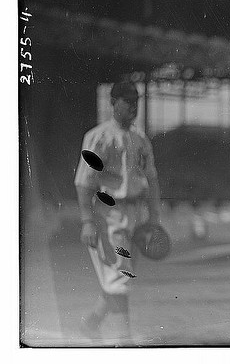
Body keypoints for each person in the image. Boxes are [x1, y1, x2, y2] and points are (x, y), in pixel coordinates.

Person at [74, 81, 161, 344]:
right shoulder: (98, 136)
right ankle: (124, 341)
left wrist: (153, 220)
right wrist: (87, 221)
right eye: (126, 100)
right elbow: (84, 182)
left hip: (135, 212)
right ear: (113, 103)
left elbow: (152, 180)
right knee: (119, 278)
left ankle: (91, 323)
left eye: (136, 100)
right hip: (107, 213)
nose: (133, 106)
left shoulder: (141, 139)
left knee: (121, 274)